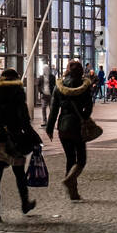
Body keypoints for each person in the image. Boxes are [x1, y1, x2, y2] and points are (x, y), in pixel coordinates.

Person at [0, 68, 37, 222]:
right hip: (14, 138)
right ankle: (25, 203)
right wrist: (32, 136)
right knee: (19, 174)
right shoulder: (17, 93)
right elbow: (23, 118)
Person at [46, 60, 94, 200]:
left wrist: (50, 128)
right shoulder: (84, 86)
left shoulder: (59, 86)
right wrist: (84, 117)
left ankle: (73, 192)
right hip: (77, 127)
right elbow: (89, 107)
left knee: (70, 158)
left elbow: (54, 109)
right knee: (82, 159)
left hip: (63, 127)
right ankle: (70, 181)